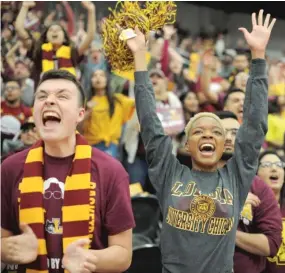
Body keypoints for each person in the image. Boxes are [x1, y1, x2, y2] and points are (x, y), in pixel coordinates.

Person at [124, 9, 275, 273]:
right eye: (198, 131)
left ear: (224, 145)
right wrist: (139, 56)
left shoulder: (236, 177)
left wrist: (259, 58)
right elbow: (149, 121)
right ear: (186, 144)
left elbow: (254, 126)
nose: (207, 135)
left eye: (216, 132)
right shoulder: (168, 173)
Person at [1, 70, 135, 273]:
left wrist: (90, 259)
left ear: (80, 114)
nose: (49, 101)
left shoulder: (111, 170)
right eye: (42, 96)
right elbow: (2, 238)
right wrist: (7, 249)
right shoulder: (10, 168)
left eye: (62, 96)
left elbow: (123, 254)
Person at [216, 111, 282, 273]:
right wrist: (231, 205)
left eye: (234, 133)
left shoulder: (257, 187)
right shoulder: (189, 182)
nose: (230, 138)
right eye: (222, 133)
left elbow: (271, 244)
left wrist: (229, 232)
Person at [80, 69, 135, 158]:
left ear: (107, 80)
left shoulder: (118, 100)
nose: (98, 78)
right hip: (90, 146)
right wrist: (88, 111)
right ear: (90, 81)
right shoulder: (85, 102)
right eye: (94, 76)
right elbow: (78, 127)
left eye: (102, 75)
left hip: (111, 146)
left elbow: (137, 103)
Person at [257, 151, 285, 273]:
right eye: (266, 165)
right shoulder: (249, 209)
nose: (274, 168)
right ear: (256, 175)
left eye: (279, 165)